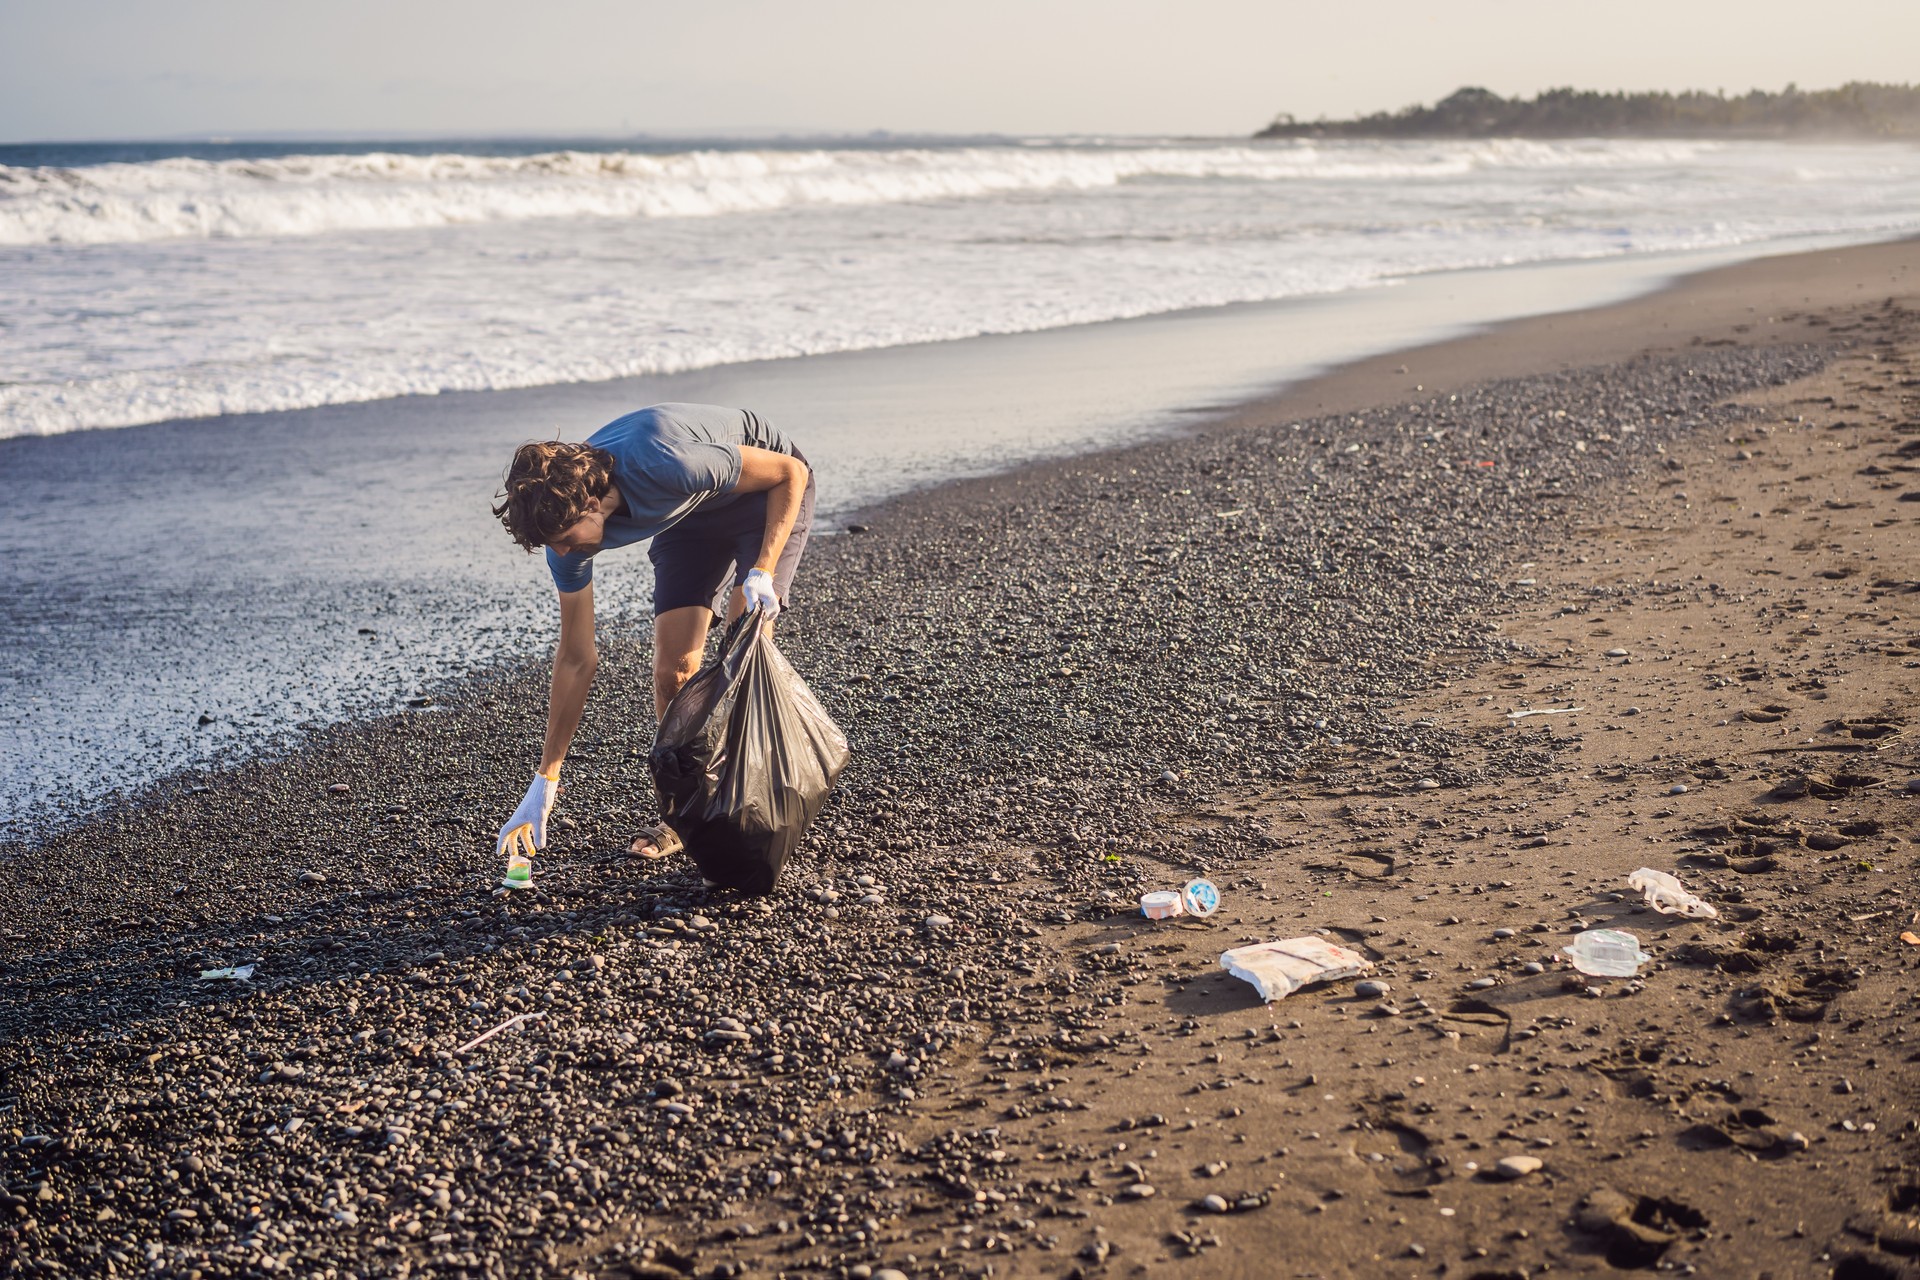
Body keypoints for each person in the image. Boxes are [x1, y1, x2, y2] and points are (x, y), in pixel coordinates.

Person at [489, 402, 814, 890]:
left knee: (742, 654)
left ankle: (753, 806)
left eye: (563, 538)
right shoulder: (568, 544)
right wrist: (545, 782)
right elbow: (577, 658)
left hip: (763, 493)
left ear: (593, 505)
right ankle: (684, 813)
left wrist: (763, 569)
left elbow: (790, 473)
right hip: (689, 517)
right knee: (674, 671)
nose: (561, 552)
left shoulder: (663, 462)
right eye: (550, 544)